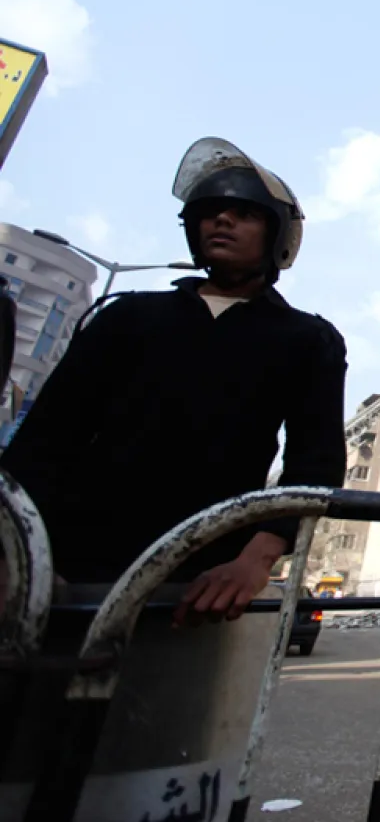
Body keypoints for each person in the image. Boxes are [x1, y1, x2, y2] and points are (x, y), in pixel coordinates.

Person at [1, 138, 347, 624]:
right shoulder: (127, 317)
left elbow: (316, 462)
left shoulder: (308, 340)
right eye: (211, 212)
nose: (222, 221)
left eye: (243, 213)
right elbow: (48, 437)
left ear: (277, 235)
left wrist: (255, 560)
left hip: (204, 576)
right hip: (69, 564)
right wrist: (17, 551)